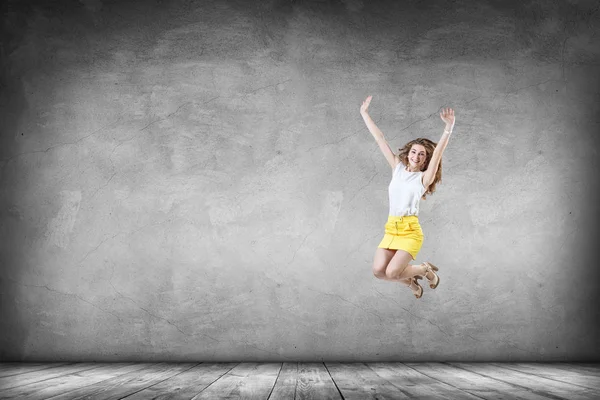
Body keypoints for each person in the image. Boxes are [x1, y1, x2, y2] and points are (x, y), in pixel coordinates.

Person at [360, 95, 455, 299]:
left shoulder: (423, 179)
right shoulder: (398, 168)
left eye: (421, 154)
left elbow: (438, 153)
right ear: (408, 153)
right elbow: (380, 139)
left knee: (393, 272)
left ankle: (424, 270)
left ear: (424, 160)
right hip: (391, 227)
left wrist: (448, 128)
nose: (416, 156)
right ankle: (411, 283)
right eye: (414, 152)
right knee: (378, 271)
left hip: (410, 231)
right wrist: (364, 114)